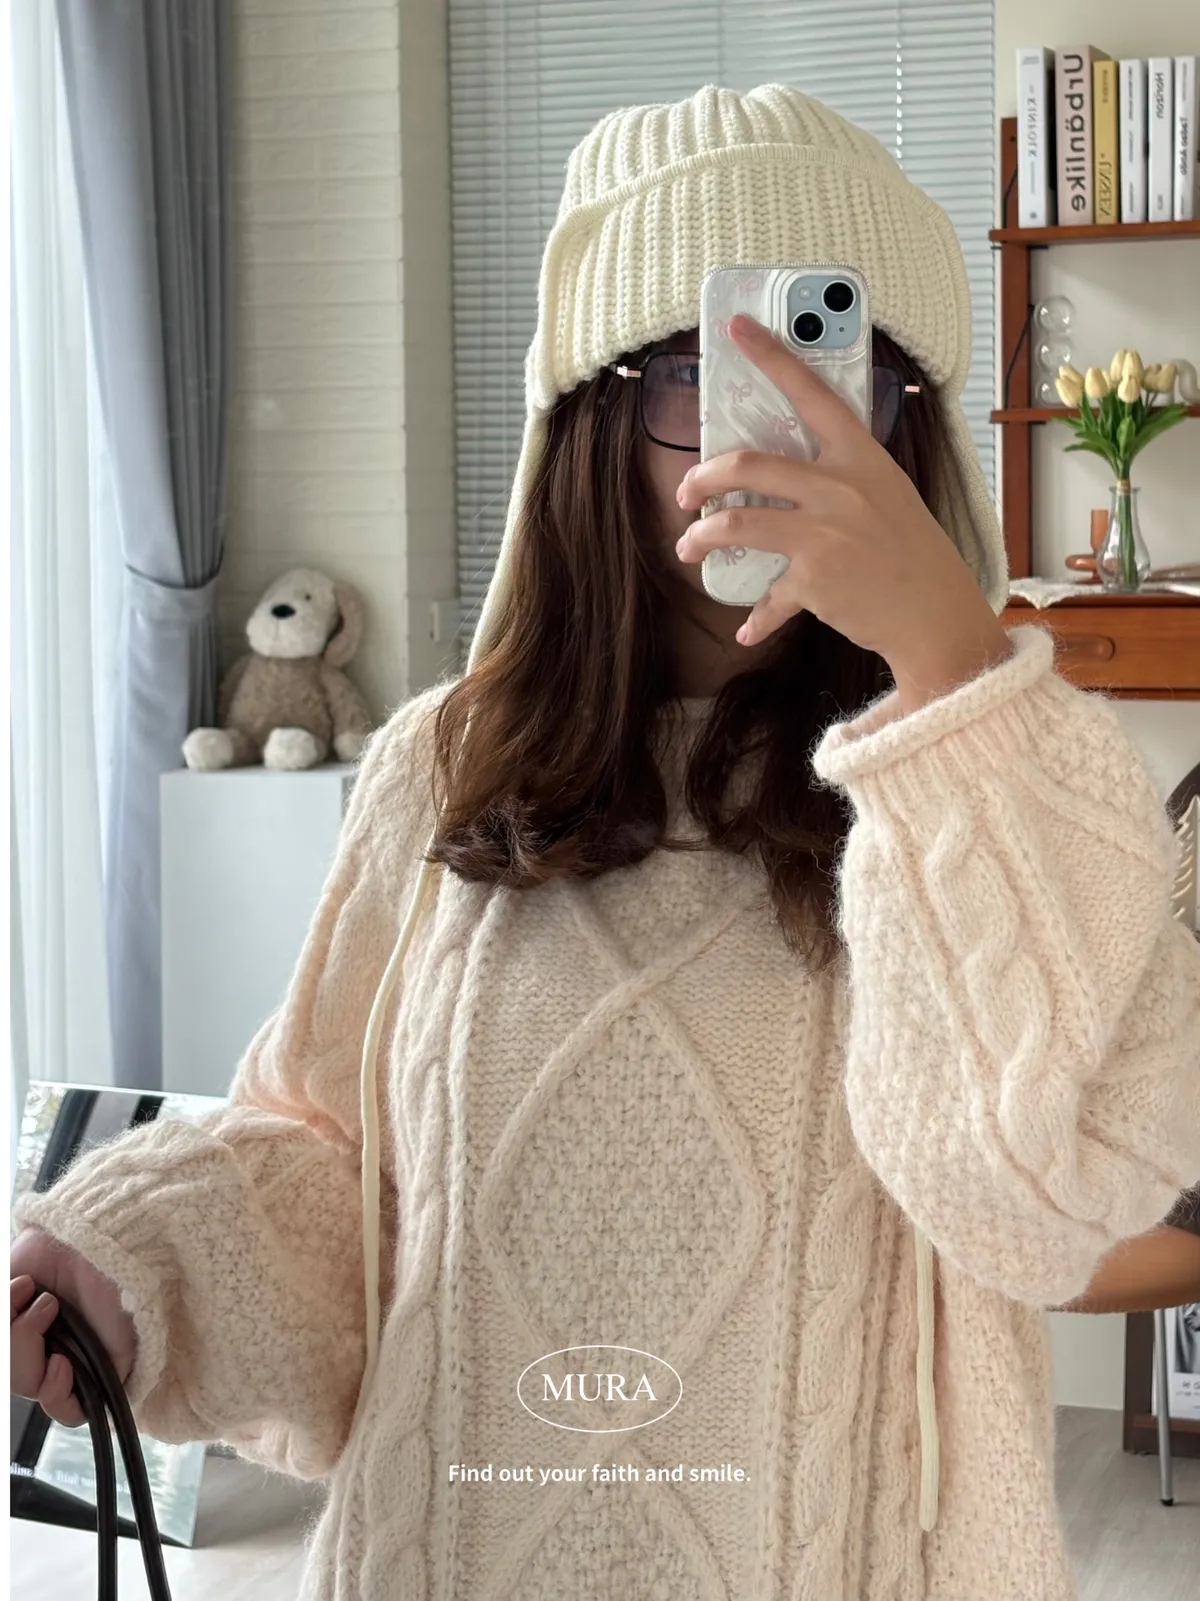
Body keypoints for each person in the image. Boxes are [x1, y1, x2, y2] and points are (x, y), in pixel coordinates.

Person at [11, 83, 1200, 1601]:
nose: (783, 430)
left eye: (841, 368)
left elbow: (1048, 1208)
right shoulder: (445, 760)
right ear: (589, 412)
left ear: (912, 424)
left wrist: (953, 682)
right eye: (704, 371)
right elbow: (339, 1168)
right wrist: (142, 1268)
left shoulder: (991, 780)